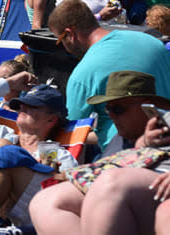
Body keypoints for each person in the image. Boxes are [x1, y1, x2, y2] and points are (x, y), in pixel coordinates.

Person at [28, 71, 170, 234]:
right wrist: (144, 142)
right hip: (138, 188)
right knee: (45, 201)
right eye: (107, 109)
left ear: (146, 105)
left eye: (118, 109)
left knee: (109, 182)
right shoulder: (121, 138)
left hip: (158, 181)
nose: (111, 116)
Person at [48, 0, 170, 148]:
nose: (64, 48)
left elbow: (72, 134)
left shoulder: (83, 74)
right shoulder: (153, 42)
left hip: (126, 156)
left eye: (60, 41)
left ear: (70, 34)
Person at [0, 83, 74, 227]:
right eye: (21, 104)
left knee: (4, 150)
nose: (22, 108)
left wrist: (52, 174)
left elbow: (69, 192)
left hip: (26, 216)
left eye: (32, 106)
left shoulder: (54, 153)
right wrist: (10, 83)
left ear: (51, 120)